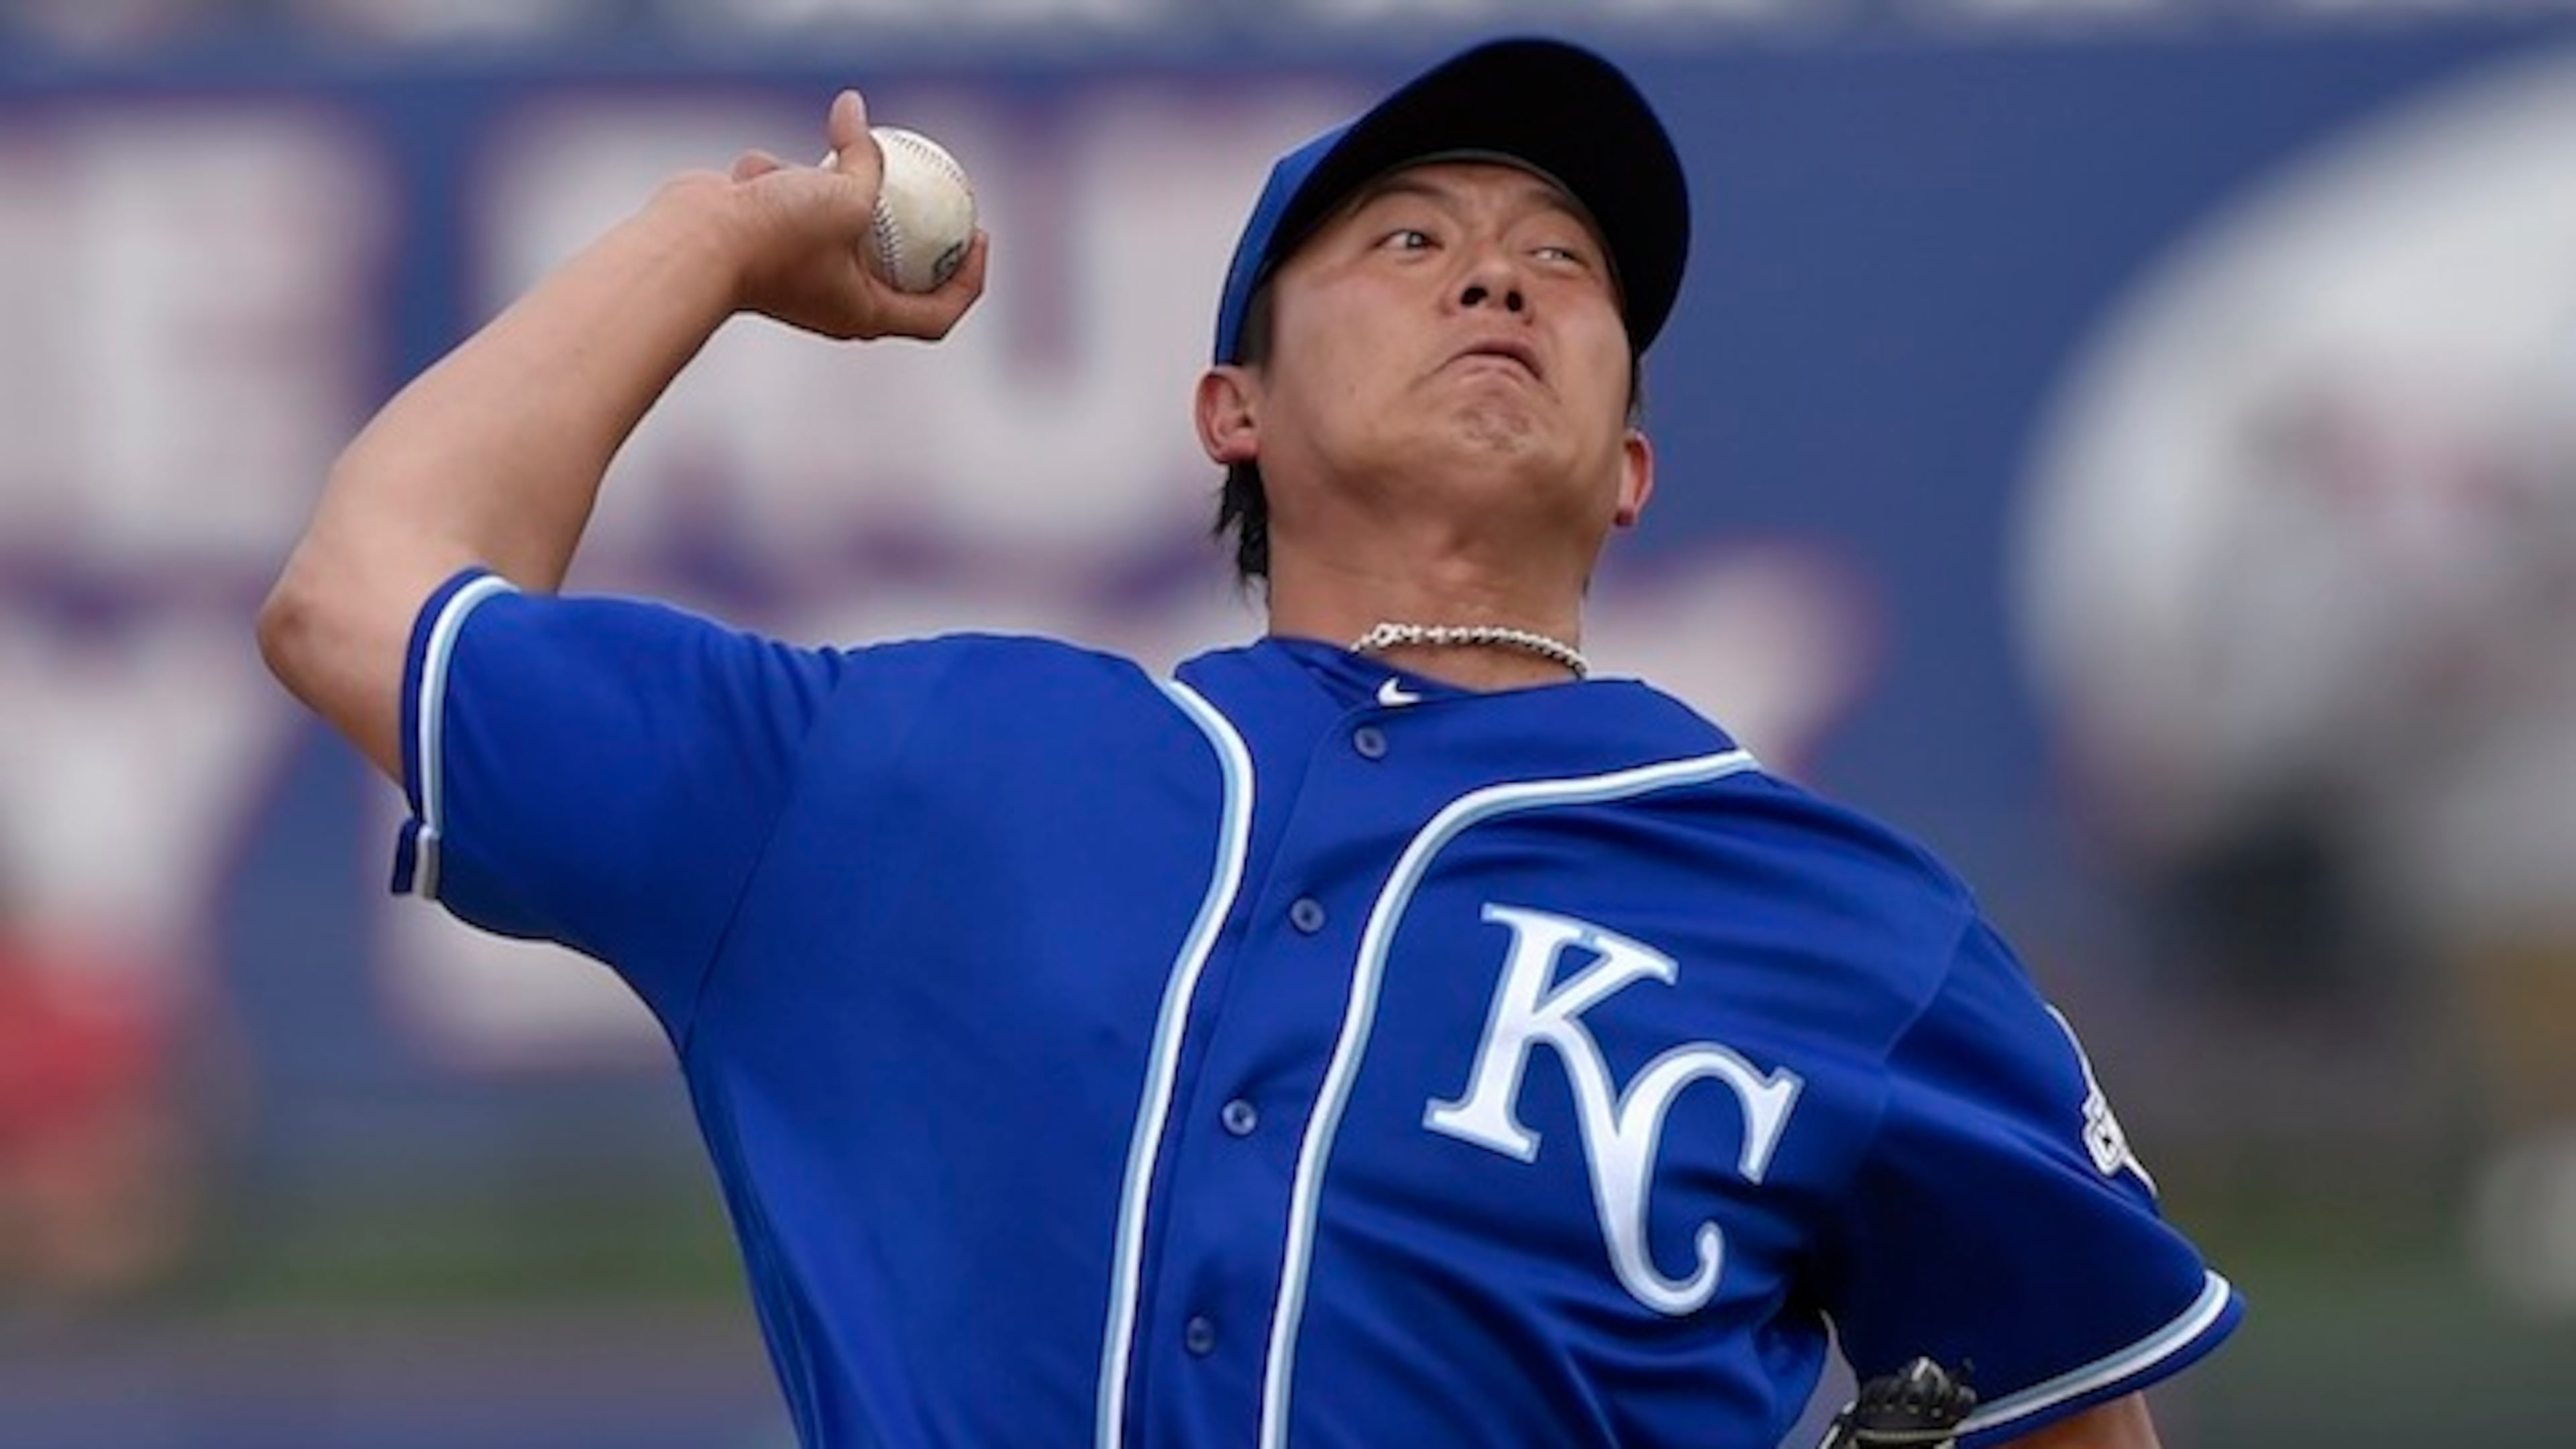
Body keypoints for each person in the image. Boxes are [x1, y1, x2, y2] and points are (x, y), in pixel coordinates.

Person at [258, 35, 2240, 1449]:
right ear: (1234, 411)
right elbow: (363, 595)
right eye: (1405, 242)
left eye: (1566, 264)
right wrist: (710, 240)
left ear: (1631, 464)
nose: (1497, 272)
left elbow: (2072, 1412)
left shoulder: (1849, 930)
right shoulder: (904, 775)